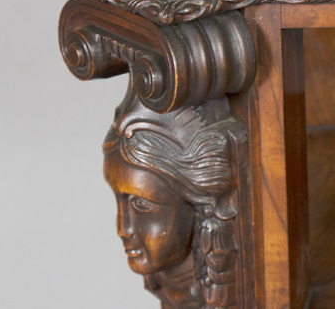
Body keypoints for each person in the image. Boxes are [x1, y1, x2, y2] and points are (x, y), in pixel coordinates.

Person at [102, 87, 244, 309]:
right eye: (119, 199)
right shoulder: (165, 281)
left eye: (140, 204)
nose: (123, 228)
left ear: (198, 204)